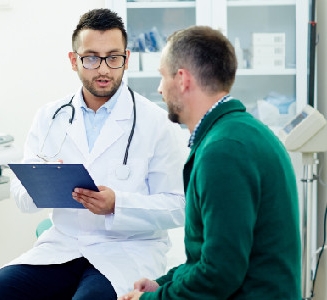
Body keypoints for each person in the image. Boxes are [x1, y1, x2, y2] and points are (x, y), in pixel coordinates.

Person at [0, 8, 188, 299]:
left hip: (128, 250)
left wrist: (117, 205)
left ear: (127, 58)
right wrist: (44, 186)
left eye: (113, 57)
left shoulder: (156, 122)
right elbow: (21, 193)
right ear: (74, 61)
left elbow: (178, 206)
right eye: (90, 58)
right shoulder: (50, 117)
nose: (103, 69)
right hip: (64, 245)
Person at [119, 26, 301, 300]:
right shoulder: (242, 132)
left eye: (162, 77)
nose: (159, 89)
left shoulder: (223, 151)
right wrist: (163, 285)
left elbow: (219, 274)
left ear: (182, 79)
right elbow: (209, 257)